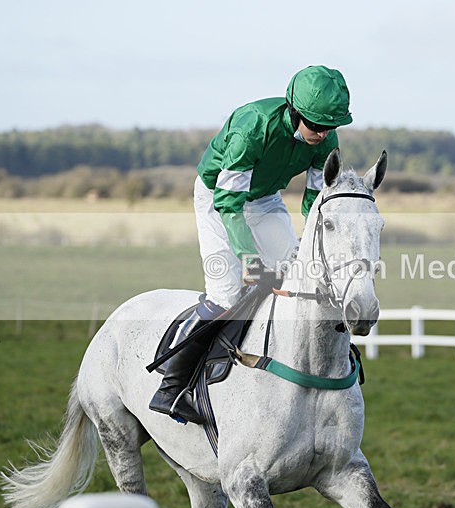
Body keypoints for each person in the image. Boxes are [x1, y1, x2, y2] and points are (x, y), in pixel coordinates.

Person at [149, 65, 353, 423]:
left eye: (330, 126)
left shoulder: (327, 139)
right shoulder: (252, 128)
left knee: (295, 276)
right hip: (219, 196)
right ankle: (172, 386)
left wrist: (315, 243)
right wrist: (249, 260)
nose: (322, 134)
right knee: (227, 294)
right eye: (316, 125)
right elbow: (229, 203)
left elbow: (315, 201)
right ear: (294, 111)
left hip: (264, 198)